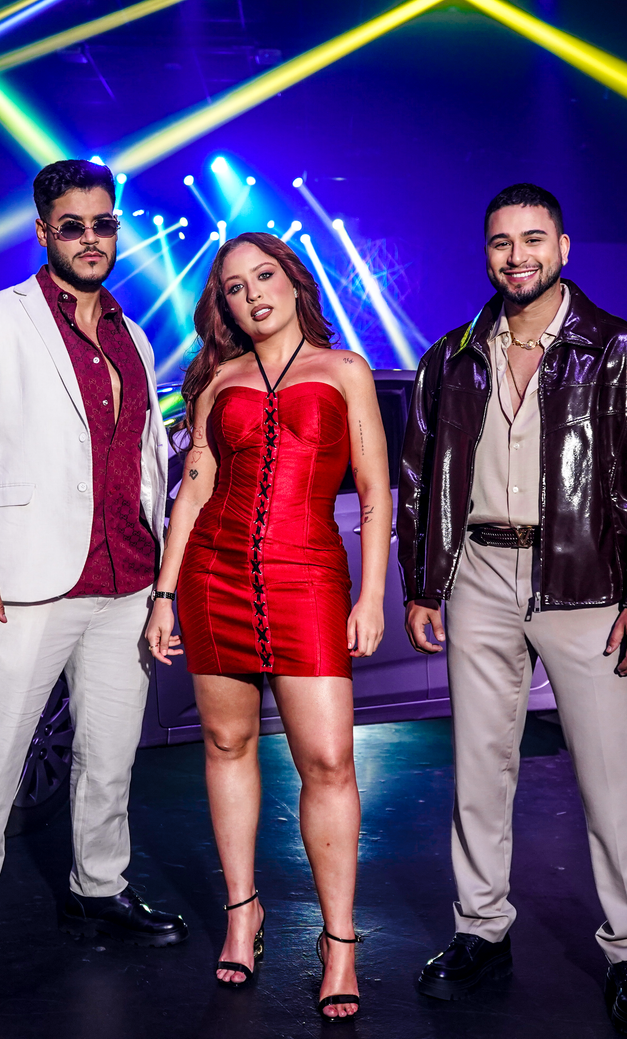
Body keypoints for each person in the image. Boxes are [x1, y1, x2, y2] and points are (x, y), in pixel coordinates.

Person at [397, 183, 627, 1036]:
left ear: (563, 247)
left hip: (585, 582)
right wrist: (423, 581)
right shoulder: (452, 356)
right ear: (486, 254)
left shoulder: (620, 350)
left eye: (532, 239)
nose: (516, 256)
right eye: (501, 242)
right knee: (479, 770)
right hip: (479, 575)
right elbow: (420, 477)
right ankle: (481, 931)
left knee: (612, 776)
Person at [0, 160, 185, 1013]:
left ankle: (97, 889)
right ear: (43, 232)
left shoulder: (135, 336)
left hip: (126, 575)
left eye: (104, 224)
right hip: (26, 579)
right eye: (73, 225)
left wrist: (163, 574)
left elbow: (146, 459)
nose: (91, 239)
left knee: (109, 754)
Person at [144, 232, 392, 1021]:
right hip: (213, 574)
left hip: (308, 577)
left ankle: (339, 939)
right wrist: (164, 593)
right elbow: (193, 490)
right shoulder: (217, 381)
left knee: (329, 760)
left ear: (293, 281)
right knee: (226, 743)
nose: (252, 294)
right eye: (234, 286)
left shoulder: (346, 370)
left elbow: (375, 491)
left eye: (264, 276)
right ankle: (242, 911)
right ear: (223, 304)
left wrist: (371, 596)